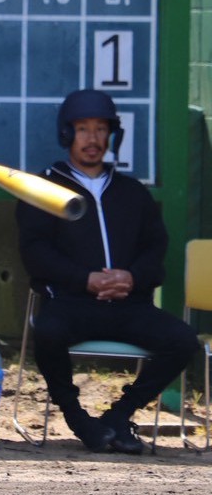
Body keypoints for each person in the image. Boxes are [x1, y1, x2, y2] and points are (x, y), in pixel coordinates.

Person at [16, 89, 201, 454]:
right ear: (67, 133)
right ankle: (79, 421)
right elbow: (36, 252)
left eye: (101, 129)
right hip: (71, 303)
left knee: (182, 341)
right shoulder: (45, 188)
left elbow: (155, 248)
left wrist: (132, 278)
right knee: (48, 332)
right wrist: (85, 279)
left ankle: (118, 417)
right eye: (83, 129)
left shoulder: (132, 192)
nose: (93, 138)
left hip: (128, 305)